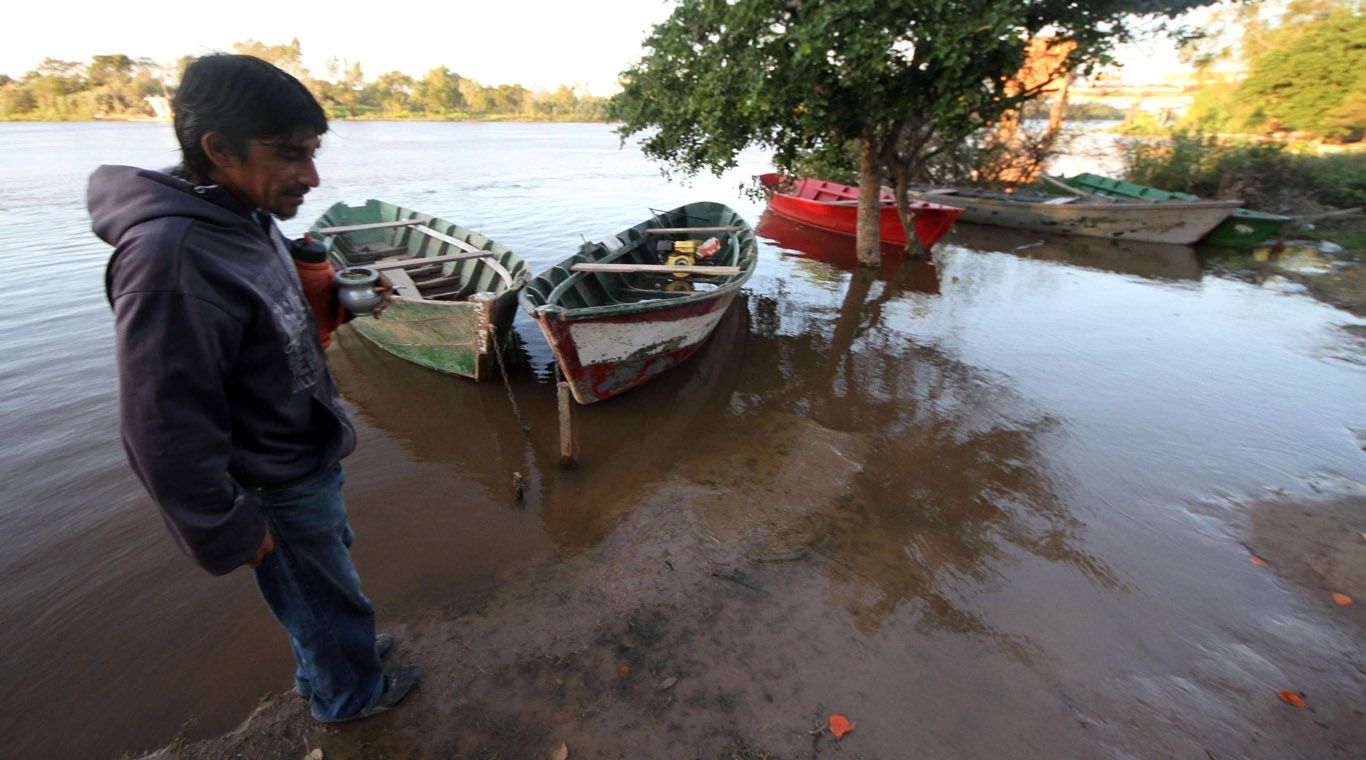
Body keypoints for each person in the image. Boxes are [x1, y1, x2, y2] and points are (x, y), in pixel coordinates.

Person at [87, 54, 418, 723]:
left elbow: (270, 326)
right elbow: (161, 423)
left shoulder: (243, 217)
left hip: (302, 454)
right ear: (218, 149)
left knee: (326, 587)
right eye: (292, 154)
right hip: (271, 481)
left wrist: (340, 302)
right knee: (318, 596)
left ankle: (337, 657)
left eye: (314, 151)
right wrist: (223, 526)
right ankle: (347, 698)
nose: (312, 175)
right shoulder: (169, 259)